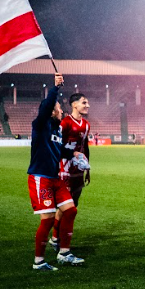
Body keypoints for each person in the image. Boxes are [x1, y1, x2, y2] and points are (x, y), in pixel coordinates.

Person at [27, 73, 84, 270]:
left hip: (54, 178)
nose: (62, 110)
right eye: (59, 108)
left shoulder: (57, 129)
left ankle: (64, 253)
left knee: (70, 210)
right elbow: (44, 108)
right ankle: (39, 261)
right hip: (40, 178)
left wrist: (75, 154)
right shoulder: (40, 125)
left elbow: (59, 151)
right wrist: (55, 88)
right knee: (49, 219)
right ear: (52, 111)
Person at [50, 92, 91, 250]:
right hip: (65, 167)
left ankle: (60, 237)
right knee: (65, 206)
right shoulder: (65, 123)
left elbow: (84, 147)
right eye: (84, 102)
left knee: (74, 203)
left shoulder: (86, 124)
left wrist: (87, 168)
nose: (87, 105)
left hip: (78, 170)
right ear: (74, 105)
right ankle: (55, 237)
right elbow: (56, 146)